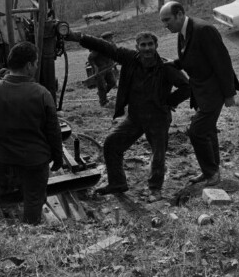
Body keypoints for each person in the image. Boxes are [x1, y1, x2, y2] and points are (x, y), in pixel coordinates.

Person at [66, 29, 190, 200]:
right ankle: (117, 183)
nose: (147, 48)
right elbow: (106, 48)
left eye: (150, 45)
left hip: (158, 118)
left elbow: (187, 87)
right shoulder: (130, 59)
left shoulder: (166, 67)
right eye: (143, 45)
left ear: (156, 46)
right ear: (137, 47)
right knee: (111, 144)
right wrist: (79, 37)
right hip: (135, 117)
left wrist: (169, 102)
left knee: (158, 154)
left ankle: (155, 189)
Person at [0, 41, 64, 225]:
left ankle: (8, 225)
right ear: (29, 65)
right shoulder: (42, 94)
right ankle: (30, 231)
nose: (37, 66)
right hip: (34, 161)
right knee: (34, 199)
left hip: (2, 159)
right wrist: (57, 158)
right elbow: (54, 132)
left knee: (6, 192)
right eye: (36, 62)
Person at [159, 1, 239, 186]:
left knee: (196, 131)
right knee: (208, 131)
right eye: (163, 21)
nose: (165, 25)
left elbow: (222, 62)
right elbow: (192, 56)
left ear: (180, 14)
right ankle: (211, 171)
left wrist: (229, 94)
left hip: (213, 90)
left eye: (167, 20)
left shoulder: (204, 30)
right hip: (200, 90)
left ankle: (211, 172)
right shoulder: (183, 32)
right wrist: (174, 63)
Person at [86, 31, 118, 107]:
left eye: (111, 38)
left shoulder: (113, 45)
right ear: (105, 39)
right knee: (102, 87)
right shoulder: (99, 47)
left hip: (108, 68)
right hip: (100, 70)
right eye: (110, 38)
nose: (111, 39)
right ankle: (103, 102)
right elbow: (90, 58)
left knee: (112, 83)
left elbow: (115, 54)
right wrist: (95, 67)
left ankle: (102, 94)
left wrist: (116, 63)